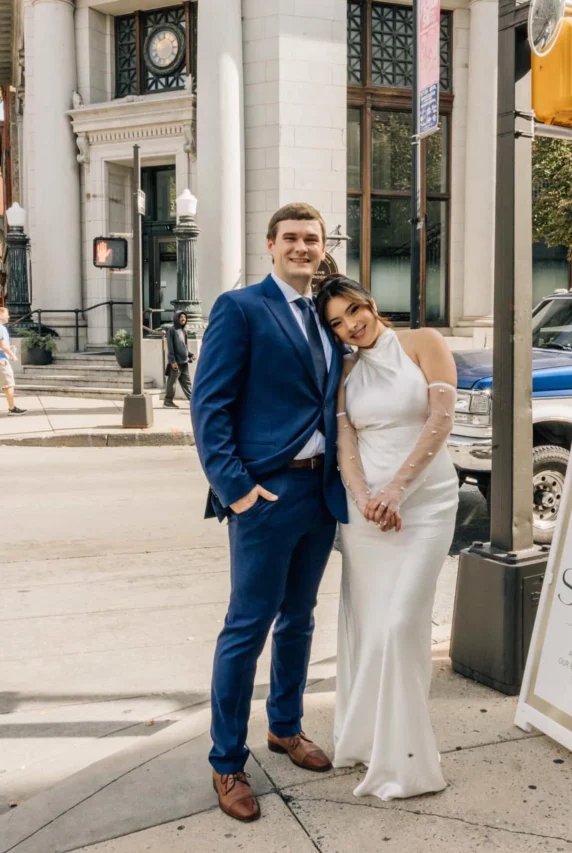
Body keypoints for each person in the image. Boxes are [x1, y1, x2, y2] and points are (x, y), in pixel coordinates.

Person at [191, 203, 347, 823]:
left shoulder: (328, 313)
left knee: (300, 619)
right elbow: (211, 407)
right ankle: (227, 760)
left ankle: (285, 726)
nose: (302, 248)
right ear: (270, 246)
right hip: (267, 494)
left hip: (320, 494)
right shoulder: (241, 308)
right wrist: (238, 490)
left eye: (312, 239)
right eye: (292, 239)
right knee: (246, 628)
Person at [315, 274, 459, 802]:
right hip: (367, 516)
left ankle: (409, 762)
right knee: (372, 628)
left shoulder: (425, 342)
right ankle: (366, 741)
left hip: (424, 502)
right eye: (337, 323)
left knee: (402, 624)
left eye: (353, 311)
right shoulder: (346, 370)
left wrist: (397, 490)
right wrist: (364, 497)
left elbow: (440, 422)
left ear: (369, 302)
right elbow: (345, 442)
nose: (351, 325)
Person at [164, 311, 194, 409]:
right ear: (176, 318)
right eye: (181, 317)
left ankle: (193, 401)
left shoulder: (183, 331)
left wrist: (190, 354)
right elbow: (170, 347)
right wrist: (172, 361)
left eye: (185, 318)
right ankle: (168, 402)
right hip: (176, 363)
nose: (183, 319)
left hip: (184, 362)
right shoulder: (172, 330)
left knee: (187, 383)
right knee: (172, 383)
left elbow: (184, 346)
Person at [0, 307, 26, 416]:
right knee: (9, 384)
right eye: (7, 314)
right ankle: (12, 408)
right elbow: (3, 345)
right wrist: (12, 355)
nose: (9, 316)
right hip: (1, 360)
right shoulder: (1, 328)